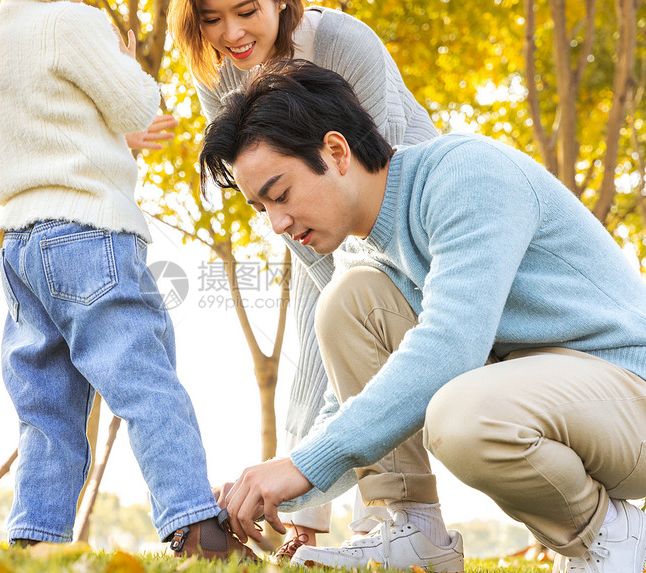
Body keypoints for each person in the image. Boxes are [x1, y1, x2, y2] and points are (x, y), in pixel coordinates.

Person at [198, 59, 646, 573]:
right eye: (262, 208)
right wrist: (267, 489)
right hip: (552, 407)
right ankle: (414, 529)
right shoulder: (363, 256)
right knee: (348, 300)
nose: (277, 223)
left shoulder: (466, 176)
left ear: (336, 151)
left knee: (462, 413)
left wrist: (300, 466)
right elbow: (350, 408)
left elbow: (450, 348)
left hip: (631, 396)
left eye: (280, 195)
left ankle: (611, 534)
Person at [0, 0, 256, 559]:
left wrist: (116, 141)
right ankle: (195, 526)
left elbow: (44, 127)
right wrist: (125, 61)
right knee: (145, 382)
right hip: (90, 233)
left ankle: (35, 537)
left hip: (20, 243)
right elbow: (138, 101)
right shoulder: (72, 20)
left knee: (46, 407)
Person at [168, 0, 439, 556]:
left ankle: (393, 523)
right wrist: (300, 501)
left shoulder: (343, 43)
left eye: (245, 11)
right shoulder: (219, 73)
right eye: (211, 19)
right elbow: (253, 178)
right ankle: (314, 525)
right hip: (313, 208)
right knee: (326, 325)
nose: (232, 34)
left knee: (379, 338)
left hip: (399, 208)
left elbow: (376, 171)